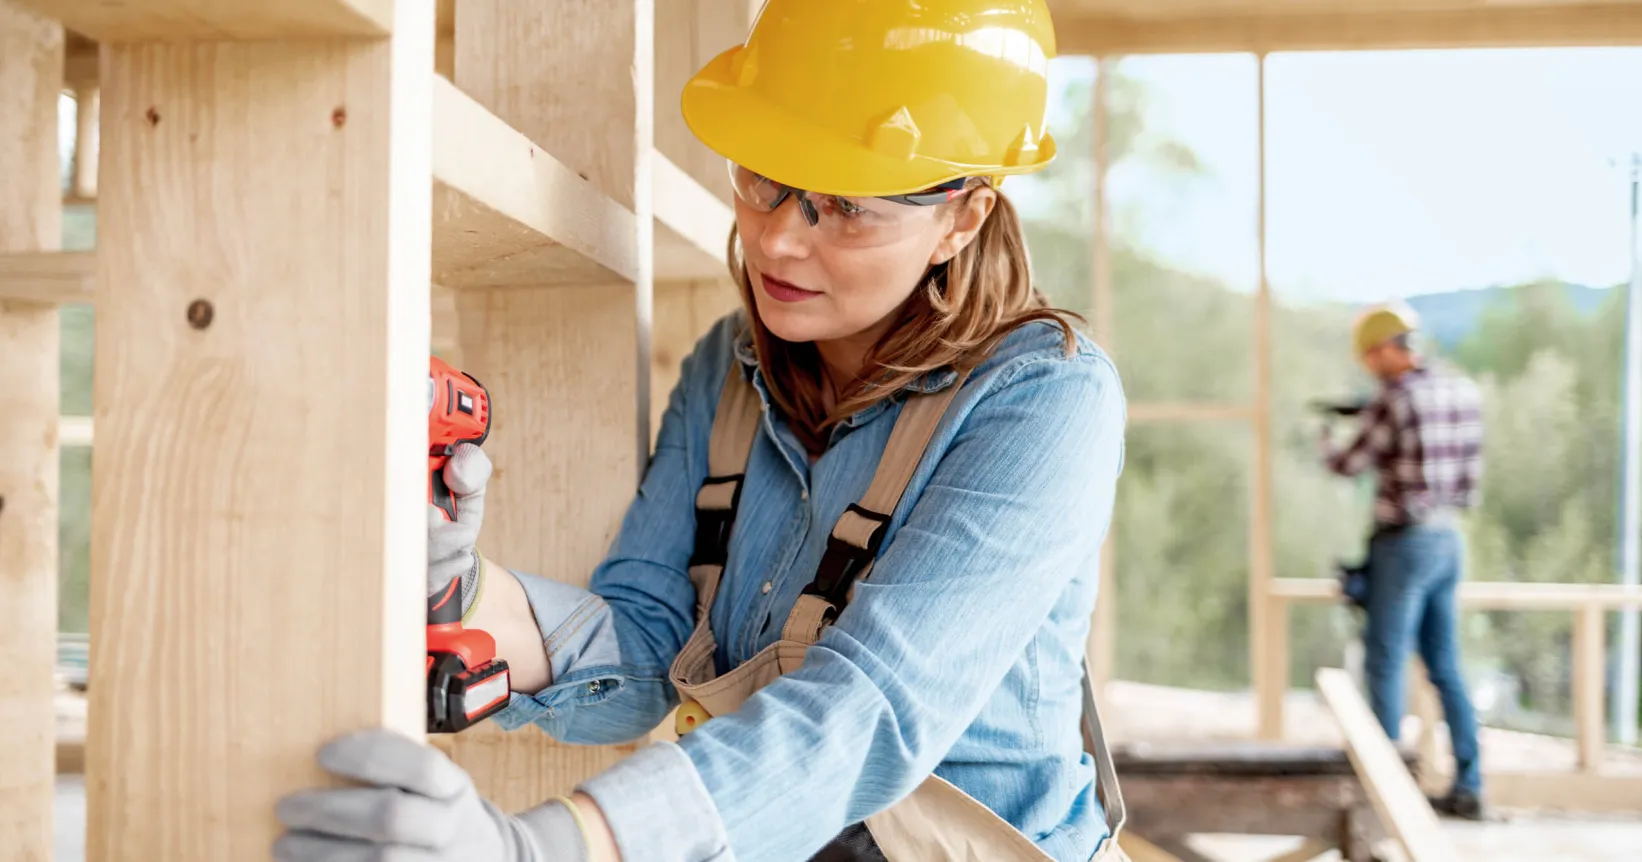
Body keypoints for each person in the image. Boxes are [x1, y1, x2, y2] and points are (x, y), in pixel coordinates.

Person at [271, 2, 1131, 861]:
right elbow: (647, 642)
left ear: (964, 217)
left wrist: (542, 848)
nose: (781, 241)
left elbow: (868, 710)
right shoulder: (732, 365)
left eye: (844, 204)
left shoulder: (1046, 399)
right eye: (764, 177)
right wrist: (459, 593)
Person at [1320, 300, 1487, 821]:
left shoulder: (1395, 400)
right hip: (1448, 540)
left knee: (1385, 662)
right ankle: (1469, 783)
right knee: (1445, 665)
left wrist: (1329, 440)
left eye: (1371, 356)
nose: (1370, 366)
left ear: (1390, 350)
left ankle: (1383, 792)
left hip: (1404, 543)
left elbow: (1350, 465)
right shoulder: (1463, 391)